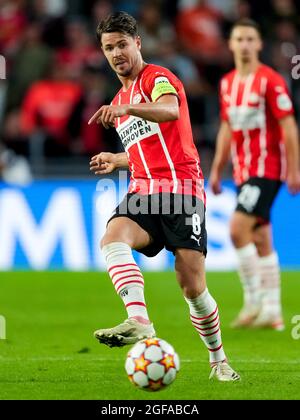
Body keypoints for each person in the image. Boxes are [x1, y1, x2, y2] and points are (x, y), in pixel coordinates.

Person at [89, 12, 240, 382]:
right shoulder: (119, 100)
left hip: (181, 191)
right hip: (143, 190)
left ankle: (218, 360)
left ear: (137, 43)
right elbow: (146, 150)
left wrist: (127, 108)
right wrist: (117, 158)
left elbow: (170, 111)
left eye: (122, 44)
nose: (116, 53)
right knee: (112, 238)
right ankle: (139, 318)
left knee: (192, 286)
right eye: (109, 47)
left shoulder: (157, 79)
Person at [209, 18, 300, 330]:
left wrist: (294, 169)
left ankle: (252, 302)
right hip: (243, 171)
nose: (245, 44)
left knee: (237, 230)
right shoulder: (227, 84)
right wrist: (217, 169)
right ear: (231, 44)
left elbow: (289, 126)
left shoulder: (271, 80)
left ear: (259, 44)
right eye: (239, 39)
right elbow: (226, 128)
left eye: (250, 39)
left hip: (267, 169)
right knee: (260, 237)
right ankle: (272, 312)